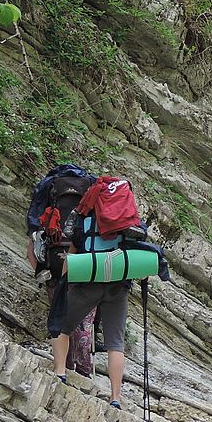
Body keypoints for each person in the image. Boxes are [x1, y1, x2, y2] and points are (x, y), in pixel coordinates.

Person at [50, 175, 143, 409]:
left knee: (62, 324)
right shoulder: (126, 219)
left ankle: (60, 372)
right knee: (115, 342)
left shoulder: (84, 217)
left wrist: (64, 278)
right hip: (118, 286)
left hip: (89, 282)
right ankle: (115, 398)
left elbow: (73, 251)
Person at [26, 164, 97, 378]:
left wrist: (40, 267)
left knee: (59, 314)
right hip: (85, 261)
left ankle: (64, 367)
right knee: (84, 319)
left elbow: (34, 233)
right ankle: (84, 370)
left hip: (54, 260)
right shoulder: (91, 189)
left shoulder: (49, 188)